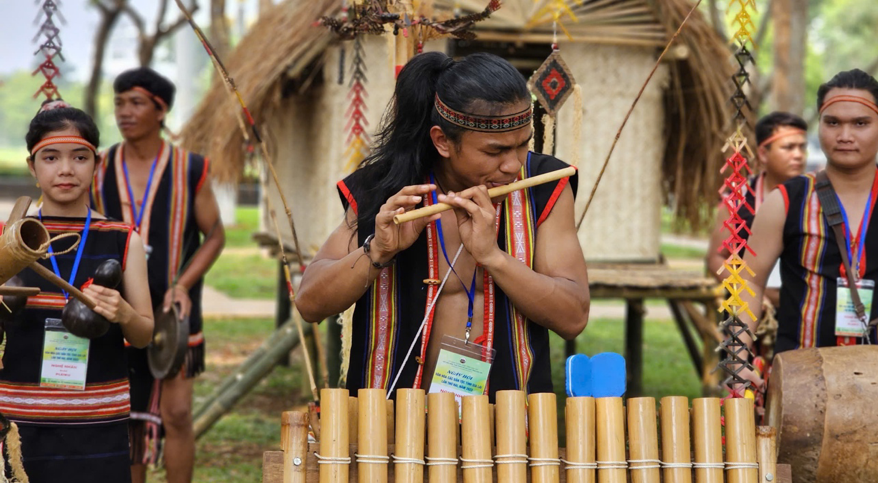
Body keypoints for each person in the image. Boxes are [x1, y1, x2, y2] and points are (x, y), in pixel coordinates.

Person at [296, 52, 590, 399]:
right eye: (495, 151)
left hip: (506, 429)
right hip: (388, 428)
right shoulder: (384, 190)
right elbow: (309, 303)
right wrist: (378, 251)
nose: (512, 165)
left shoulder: (544, 186)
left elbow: (573, 317)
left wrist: (493, 257)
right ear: (442, 141)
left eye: (522, 145)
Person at [740, 69, 878, 387]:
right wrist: (737, 354)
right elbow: (748, 280)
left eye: (860, 123)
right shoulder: (786, 201)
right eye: (833, 122)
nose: (845, 135)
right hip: (799, 383)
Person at [0, 106, 153, 482]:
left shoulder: (122, 238)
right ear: (33, 167)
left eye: (79, 157)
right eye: (50, 158)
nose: (66, 169)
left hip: (99, 423)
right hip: (20, 424)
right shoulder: (8, 238)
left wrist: (123, 313)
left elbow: (145, 334)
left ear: (96, 164)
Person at [91, 67, 225, 483]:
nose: (124, 112)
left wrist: (183, 284)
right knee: (128, 416)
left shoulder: (190, 168)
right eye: (118, 103)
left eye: (135, 103)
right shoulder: (97, 166)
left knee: (178, 413)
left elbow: (215, 235)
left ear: (160, 109)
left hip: (172, 312)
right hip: (116, 308)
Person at [705, 112, 807, 358]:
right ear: (763, 153)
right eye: (788, 147)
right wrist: (750, 292)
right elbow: (717, 260)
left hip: (804, 317)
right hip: (749, 316)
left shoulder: (817, 199)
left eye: (802, 147)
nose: (798, 155)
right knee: (746, 390)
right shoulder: (737, 200)